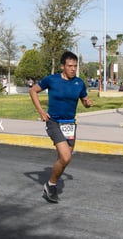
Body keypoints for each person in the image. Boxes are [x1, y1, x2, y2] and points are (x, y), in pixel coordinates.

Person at [29, 51, 93, 203]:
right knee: (66, 156)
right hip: (54, 122)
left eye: (75, 66)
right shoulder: (52, 80)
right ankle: (51, 185)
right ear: (62, 66)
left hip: (70, 124)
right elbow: (33, 91)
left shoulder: (79, 83)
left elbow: (84, 100)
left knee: (64, 159)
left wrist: (87, 103)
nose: (73, 69)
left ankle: (50, 185)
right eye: (70, 66)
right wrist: (41, 111)